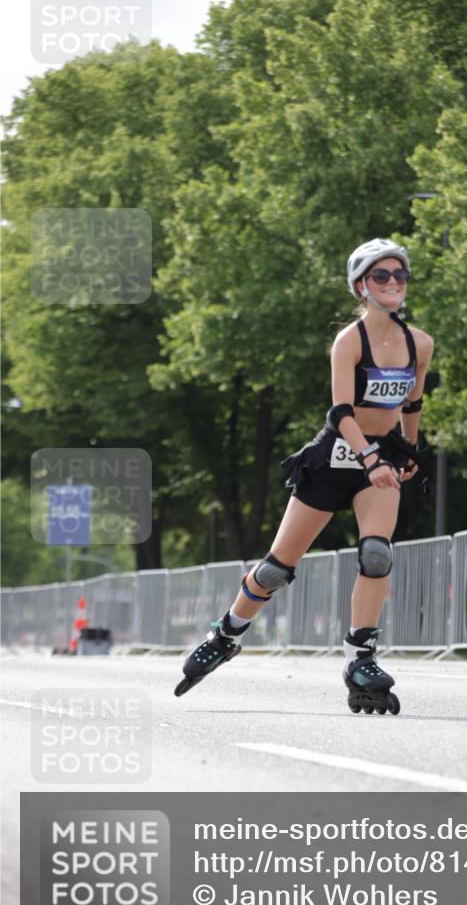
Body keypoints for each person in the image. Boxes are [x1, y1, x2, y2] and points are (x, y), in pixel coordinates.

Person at [174, 237, 434, 714]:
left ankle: (360, 657)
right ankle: (226, 633)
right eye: (382, 275)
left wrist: (409, 448)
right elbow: (340, 412)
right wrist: (369, 460)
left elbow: (412, 402)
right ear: (361, 285)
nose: (394, 282)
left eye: (400, 275)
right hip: (337, 456)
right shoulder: (349, 340)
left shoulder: (420, 343)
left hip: (382, 457)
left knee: (377, 556)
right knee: (276, 567)